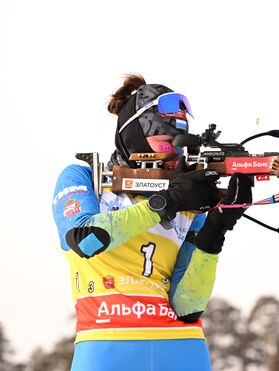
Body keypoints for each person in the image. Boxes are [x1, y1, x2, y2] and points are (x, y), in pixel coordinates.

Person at [52, 74, 252, 371]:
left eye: (181, 145)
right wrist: (166, 203)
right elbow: (85, 240)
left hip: (182, 348)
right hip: (106, 343)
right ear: (134, 134)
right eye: (166, 142)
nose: (174, 153)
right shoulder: (87, 178)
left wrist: (216, 228)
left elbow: (187, 306)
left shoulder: (188, 201)